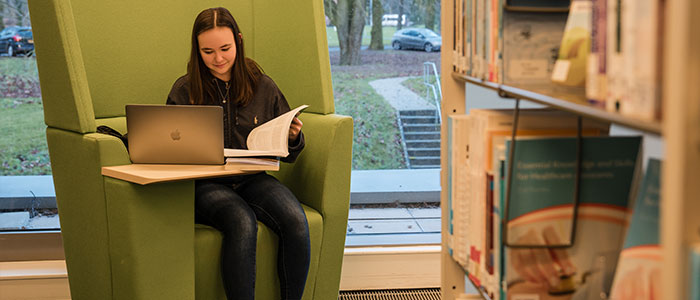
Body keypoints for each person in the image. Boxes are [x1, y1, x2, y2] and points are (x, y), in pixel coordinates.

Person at [166, 7, 310, 300]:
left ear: (239, 42)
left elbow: (289, 153)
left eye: (225, 48)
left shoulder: (263, 86)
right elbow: (168, 148)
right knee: (241, 221)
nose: (217, 59)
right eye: (207, 51)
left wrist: (293, 136)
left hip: (253, 178)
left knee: (296, 221)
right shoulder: (184, 90)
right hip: (204, 185)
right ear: (197, 49)